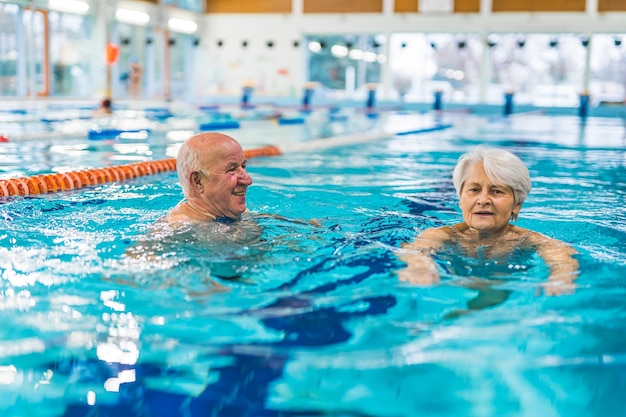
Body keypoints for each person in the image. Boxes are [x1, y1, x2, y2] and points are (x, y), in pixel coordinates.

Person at [398, 145, 579, 298]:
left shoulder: (528, 240)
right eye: (474, 190)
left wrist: (561, 277)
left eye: (497, 191)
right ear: (461, 200)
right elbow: (416, 250)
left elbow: (561, 256)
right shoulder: (443, 235)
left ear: (517, 205)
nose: (483, 200)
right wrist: (420, 266)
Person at [165, 132, 253, 224]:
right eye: (231, 170)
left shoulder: (239, 213)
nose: (248, 181)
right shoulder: (178, 228)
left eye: (243, 166)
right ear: (198, 181)